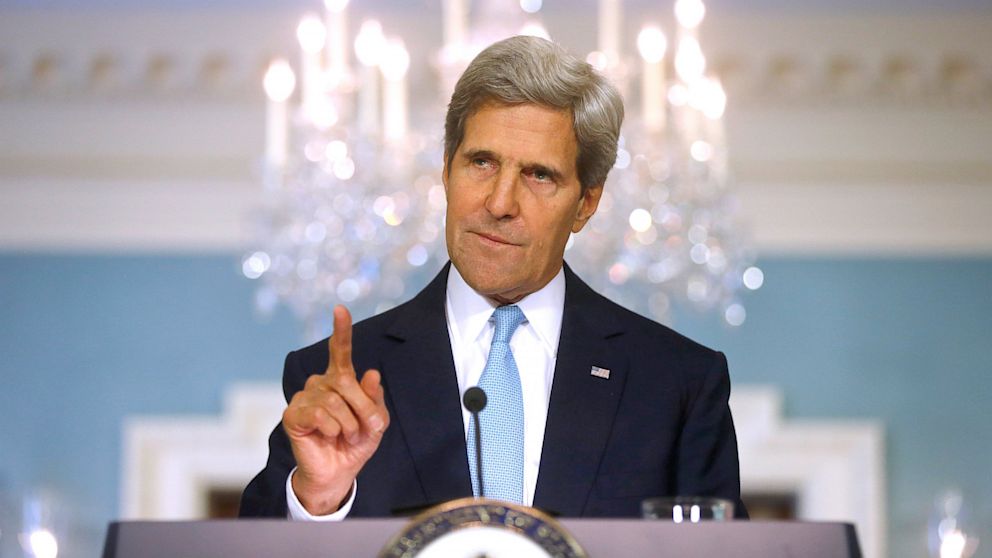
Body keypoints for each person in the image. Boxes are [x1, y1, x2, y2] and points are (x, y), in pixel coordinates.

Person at [239, 35, 746, 520]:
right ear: (445, 169)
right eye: (481, 162)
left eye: (539, 175)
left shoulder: (676, 383)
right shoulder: (339, 384)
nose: (500, 204)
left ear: (586, 203)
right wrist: (318, 498)